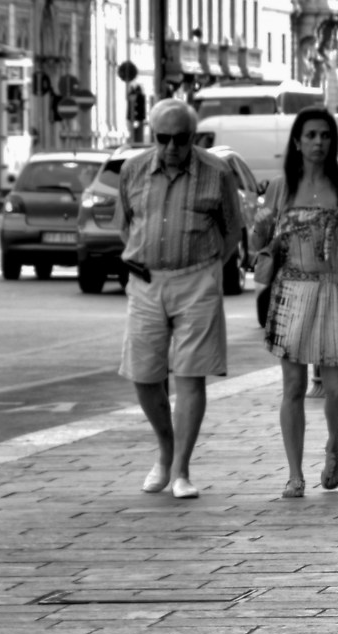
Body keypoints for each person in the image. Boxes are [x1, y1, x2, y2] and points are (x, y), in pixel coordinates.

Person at [112, 99, 246, 501]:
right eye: (162, 138)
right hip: (146, 281)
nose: (171, 147)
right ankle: (165, 450)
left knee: (190, 375)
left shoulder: (215, 171)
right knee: (144, 374)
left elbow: (232, 230)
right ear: (152, 135)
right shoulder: (133, 169)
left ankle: (182, 470)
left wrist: (206, 271)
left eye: (181, 139)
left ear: (195, 136)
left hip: (197, 281)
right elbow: (125, 225)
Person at [255, 106, 338, 498]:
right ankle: (294, 474)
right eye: (311, 135)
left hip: (333, 289)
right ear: (297, 141)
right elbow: (262, 238)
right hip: (290, 290)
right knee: (293, 386)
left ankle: (333, 444)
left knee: (337, 389)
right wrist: (262, 231)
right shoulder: (281, 188)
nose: (318, 142)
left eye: (325, 135)